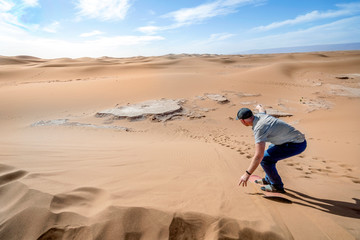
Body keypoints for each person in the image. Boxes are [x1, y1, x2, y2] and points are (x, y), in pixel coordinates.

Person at [237, 104, 307, 193]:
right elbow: (262, 110)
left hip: (296, 144)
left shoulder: (259, 128)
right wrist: (259, 107)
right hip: (291, 140)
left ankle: (277, 186)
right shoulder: (260, 116)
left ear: (243, 121)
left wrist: (247, 174)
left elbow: (258, 156)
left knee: (265, 159)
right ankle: (268, 179)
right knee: (269, 152)